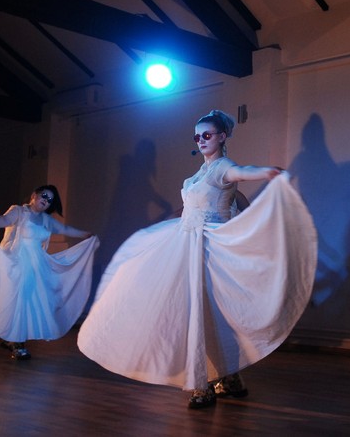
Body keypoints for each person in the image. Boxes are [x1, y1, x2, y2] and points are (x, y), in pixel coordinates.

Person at [78, 109, 317, 409]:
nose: (201, 140)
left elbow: (241, 172)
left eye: (206, 135)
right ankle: (227, 378)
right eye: (197, 137)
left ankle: (205, 382)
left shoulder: (223, 167)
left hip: (210, 247)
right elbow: (194, 205)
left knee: (209, 312)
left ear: (222, 137)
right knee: (198, 311)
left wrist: (267, 172)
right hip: (187, 243)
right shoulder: (200, 173)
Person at [0, 185, 99, 360]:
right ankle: (16, 342)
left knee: (29, 303)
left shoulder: (46, 220)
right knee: (19, 301)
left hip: (36, 267)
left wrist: (86, 235)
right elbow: (5, 220)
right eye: (44, 196)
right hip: (17, 263)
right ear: (34, 195)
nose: (46, 201)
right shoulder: (19, 211)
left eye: (50, 200)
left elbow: (65, 230)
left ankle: (14, 340)